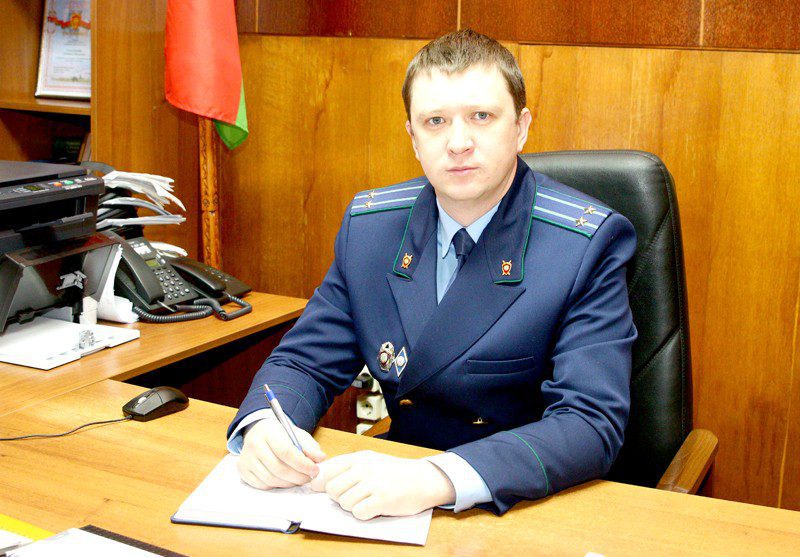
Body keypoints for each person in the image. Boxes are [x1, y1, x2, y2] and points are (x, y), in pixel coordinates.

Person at [227, 29, 637, 520]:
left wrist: (437, 478)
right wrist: (267, 426)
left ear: (521, 127)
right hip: (393, 503)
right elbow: (305, 362)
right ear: (413, 139)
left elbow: (589, 422)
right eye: (435, 121)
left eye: (481, 117)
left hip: (520, 503)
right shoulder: (372, 228)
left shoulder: (584, 244)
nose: (458, 143)